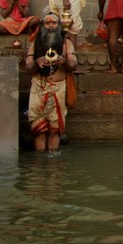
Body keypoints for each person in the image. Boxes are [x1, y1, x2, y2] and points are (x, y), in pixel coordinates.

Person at [25, 12, 78, 152]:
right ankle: (39, 164)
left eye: (53, 23)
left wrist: (64, 61)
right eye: (47, 23)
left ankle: (52, 165)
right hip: (38, 89)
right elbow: (28, 68)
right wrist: (37, 62)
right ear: (42, 26)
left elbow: (74, 65)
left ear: (59, 25)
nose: (50, 26)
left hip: (58, 89)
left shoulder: (66, 43)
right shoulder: (35, 43)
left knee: (54, 130)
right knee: (39, 130)